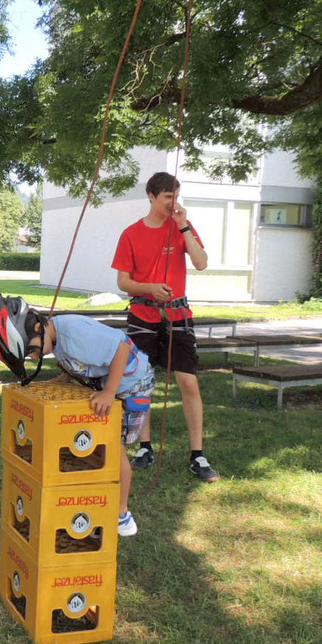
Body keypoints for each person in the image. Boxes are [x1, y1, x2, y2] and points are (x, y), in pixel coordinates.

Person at [0, 295, 154, 537]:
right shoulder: (54, 337)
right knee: (96, 448)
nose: (34, 357)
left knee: (113, 449)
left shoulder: (75, 333)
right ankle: (96, 508)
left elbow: (122, 349)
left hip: (132, 385)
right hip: (105, 383)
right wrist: (65, 377)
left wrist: (109, 392)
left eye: (32, 350)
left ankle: (121, 513)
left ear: (38, 328)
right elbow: (76, 358)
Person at [111, 171, 219, 482]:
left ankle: (197, 455)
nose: (174, 202)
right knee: (140, 382)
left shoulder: (182, 226)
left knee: (189, 383)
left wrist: (184, 226)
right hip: (142, 316)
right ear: (152, 196)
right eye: (168, 197)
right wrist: (149, 288)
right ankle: (144, 448)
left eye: (177, 196)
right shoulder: (131, 234)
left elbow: (201, 263)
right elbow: (123, 282)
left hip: (178, 316)